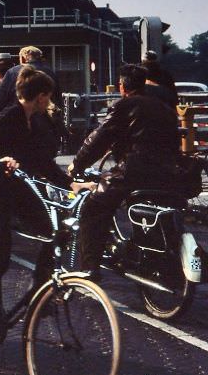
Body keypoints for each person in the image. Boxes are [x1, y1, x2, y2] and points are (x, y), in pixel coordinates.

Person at [0, 67, 89, 347]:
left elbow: (43, 162)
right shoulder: (10, 115)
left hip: (18, 190)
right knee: (0, 255)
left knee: (57, 231)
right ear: (41, 96)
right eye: (49, 96)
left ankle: (38, 289)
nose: (51, 101)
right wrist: (0, 159)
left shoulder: (38, 121)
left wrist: (71, 185)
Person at [69, 64, 180, 276]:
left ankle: (88, 271)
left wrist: (77, 164)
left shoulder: (124, 105)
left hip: (134, 171)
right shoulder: (165, 109)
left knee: (93, 209)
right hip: (168, 173)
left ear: (122, 87)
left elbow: (98, 139)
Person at [0, 46, 61, 131]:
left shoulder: (13, 72)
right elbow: (57, 98)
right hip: (45, 121)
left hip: (19, 121)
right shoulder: (51, 73)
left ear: (23, 58)